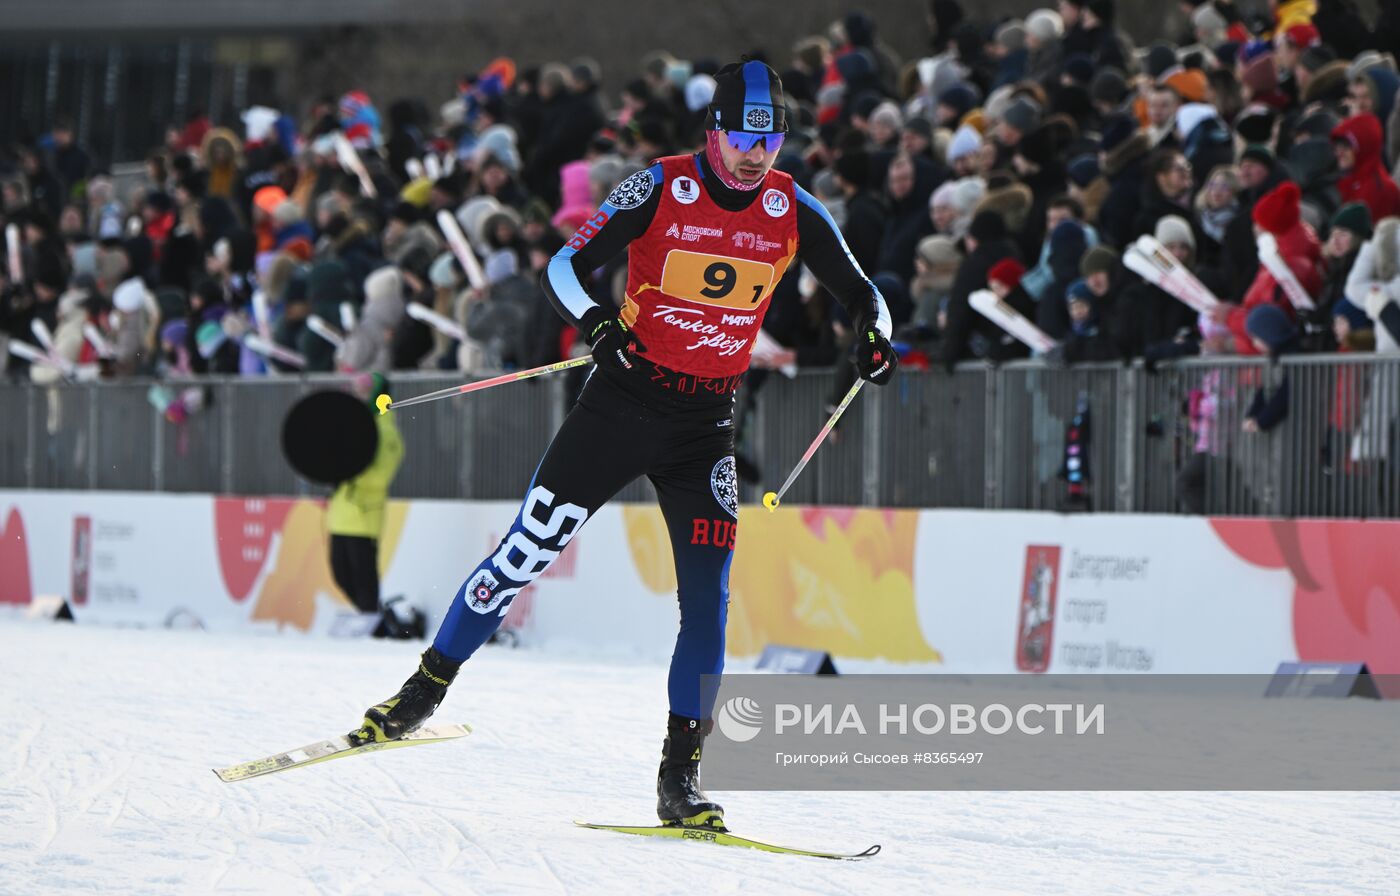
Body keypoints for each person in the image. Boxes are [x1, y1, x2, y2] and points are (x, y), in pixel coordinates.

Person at [348, 60, 896, 831]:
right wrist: (597, 325)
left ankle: (682, 780)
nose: (753, 152)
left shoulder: (791, 207)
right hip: (619, 407)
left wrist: (876, 337)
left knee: (708, 604)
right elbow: (565, 267)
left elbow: (864, 292)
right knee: (523, 555)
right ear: (714, 131)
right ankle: (421, 691)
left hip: (704, 430)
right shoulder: (661, 188)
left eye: (768, 140)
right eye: (741, 134)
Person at [328, 373, 405, 631]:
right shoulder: (353, 424)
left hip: (364, 514)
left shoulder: (386, 430)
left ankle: (374, 622)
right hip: (341, 512)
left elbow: (381, 475)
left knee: (363, 577)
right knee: (341, 572)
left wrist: (350, 475)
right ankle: (372, 620)